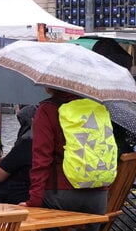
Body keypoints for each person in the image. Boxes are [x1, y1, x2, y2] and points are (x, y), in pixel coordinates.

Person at [19, 89, 109, 229]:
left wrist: (34, 200)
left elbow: (41, 159)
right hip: (98, 195)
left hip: (61, 194)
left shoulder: (48, 109)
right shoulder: (96, 107)